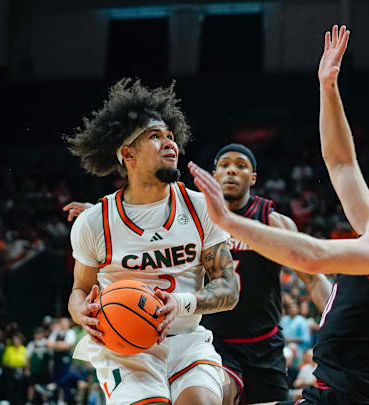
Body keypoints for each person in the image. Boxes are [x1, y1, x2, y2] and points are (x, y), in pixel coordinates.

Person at [188, 24, 369, 405]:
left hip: (356, 396)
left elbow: (313, 255)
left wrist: (228, 222)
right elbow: (341, 164)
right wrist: (328, 87)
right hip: (337, 388)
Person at [64, 143, 333, 404]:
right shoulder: (197, 214)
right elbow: (145, 227)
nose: (231, 171)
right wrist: (101, 216)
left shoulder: (271, 222)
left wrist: (336, 324)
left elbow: (313, 277)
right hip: (214, 338)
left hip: (263, 341)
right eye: (224, 165)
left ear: (253, 178)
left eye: (240, 166)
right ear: (213, 175)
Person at [65, 78, 239, 405]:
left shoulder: (202, 207)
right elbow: (78, 290)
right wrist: (80, 312)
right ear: (127, 154)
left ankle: (225, 385)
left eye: (171, 136)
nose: (169, 143)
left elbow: (229, 288)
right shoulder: (94, 222)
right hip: (124, 348)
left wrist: (182, 303)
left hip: (187, 339)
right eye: (155, 137)